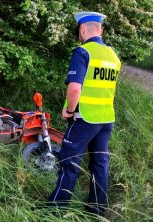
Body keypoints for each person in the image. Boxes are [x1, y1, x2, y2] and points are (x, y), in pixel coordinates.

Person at [47, 11, 121, 216]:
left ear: (82, 29)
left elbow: (74, 89)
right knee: (100, 164)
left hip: (84, 118)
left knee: (68, 162)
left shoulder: (83, 52)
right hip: (106, 119)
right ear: (101, 30)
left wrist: (69, 110)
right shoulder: (113, 56)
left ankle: (54, 211)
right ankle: (96, 210)